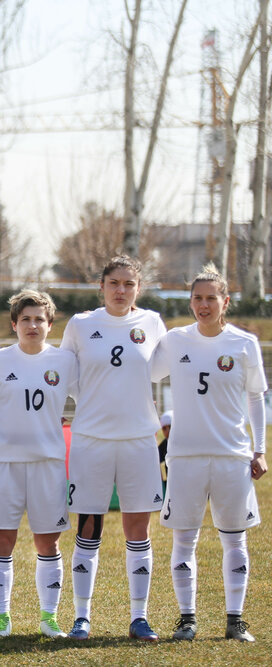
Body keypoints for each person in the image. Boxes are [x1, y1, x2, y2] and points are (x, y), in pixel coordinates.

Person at [151, 264, 267, 642]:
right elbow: (144, 373)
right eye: (197, 298)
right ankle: (187, 619)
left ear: (225, 302)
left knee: (234, 540)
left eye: (211, 298)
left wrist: (259, 449)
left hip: (232, 455)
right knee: (185, 540)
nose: (204, 305)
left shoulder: (244, 343)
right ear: (190, 302)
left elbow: (255, 398)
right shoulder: (175, 340)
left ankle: (235, 621)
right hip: (185, 457)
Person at [60, 256, 166, 641]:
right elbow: (67, 374)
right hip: (92, 440)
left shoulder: (152, 323)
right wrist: (92, 403)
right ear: (101, 286)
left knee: (137, 527)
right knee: (89, 526)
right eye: (114, 283)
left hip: (139, 441)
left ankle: (139, 617)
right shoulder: (81, 324)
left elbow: (162, 371)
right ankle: (82, 617)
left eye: (129, 284)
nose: (121, 290)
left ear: (138, 288)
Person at [0, 289, 78, 639]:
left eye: (39, 319)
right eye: (26, 319)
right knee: (2, 541)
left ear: (50, 325)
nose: (32, 325)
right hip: (5, 464)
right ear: (14, 324)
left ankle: (49, 618)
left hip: (48, 464)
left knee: (48, 543)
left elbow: (90, 399)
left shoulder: (65, 362)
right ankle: (1, 618)